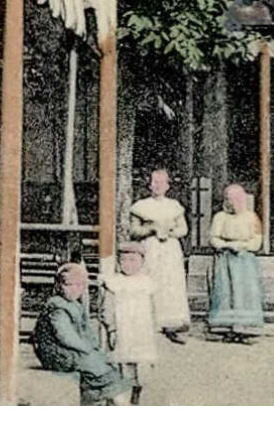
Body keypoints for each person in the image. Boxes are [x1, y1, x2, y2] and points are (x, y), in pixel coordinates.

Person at [34, 262, 131, 406]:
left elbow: (86, 332)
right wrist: (87, 349)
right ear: (59, 286)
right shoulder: (57, 307)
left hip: (71, 351)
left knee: (104, 364)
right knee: (96, 366)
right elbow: (65, 336)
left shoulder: (75, 305)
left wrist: (93, 346)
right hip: (56, 353)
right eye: (69, 285)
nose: (75, 290)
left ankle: (100, 401)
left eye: (79, 285)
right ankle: (108, 402)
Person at [127, 168, 190, 343]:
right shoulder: (142, 206)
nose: (158, 186)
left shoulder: (174, 206)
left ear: (168, 185)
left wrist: (170, 231)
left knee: (170, 283)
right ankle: (149, 322)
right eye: (154, 182)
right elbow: (134, 230)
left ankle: (170, 323)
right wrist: (151, 228)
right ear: (149, 184)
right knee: (152, 279)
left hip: (170, 248)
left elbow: (183, 229)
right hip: (151, 246)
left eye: (161, 182)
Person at [205, 183, 264, 342]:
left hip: (245, 261)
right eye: (229, 199)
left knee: (244, 293)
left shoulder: (252, 217)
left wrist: (242, 246)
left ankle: (246, 329)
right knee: (225, 292)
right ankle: (224, 328)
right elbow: (213, 238)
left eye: (237, 199)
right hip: (225, 259)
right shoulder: (220, 217)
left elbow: (257, 241)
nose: (233, 203)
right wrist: (227, 245)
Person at [101, 242, 157, 405]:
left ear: (142, 262)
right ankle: (116, 395)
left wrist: (153, 327)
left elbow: (152, 307)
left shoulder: (146, 283)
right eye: (124, 260)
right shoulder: (115, 283)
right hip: (122, 329)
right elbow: (108, 308)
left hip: (141, 330)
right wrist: (111, 328)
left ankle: (136, 392)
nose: (128, 264)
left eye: (133, 260)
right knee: (120, 361)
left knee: (140, 363)